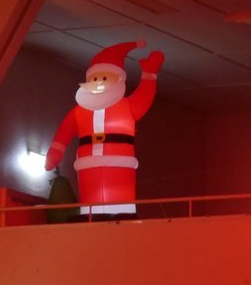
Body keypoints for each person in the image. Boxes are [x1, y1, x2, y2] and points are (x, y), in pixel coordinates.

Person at [44, 40, 163, 217]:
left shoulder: (127, 106)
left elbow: (143, 98)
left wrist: (149, 74)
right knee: (90, 192)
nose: (99, 83)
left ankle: (123, 215)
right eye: (94, 79)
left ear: (118, 79)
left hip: (120, 159)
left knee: (120, 191)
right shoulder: (79, 111)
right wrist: (55, 152)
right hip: (88, 161)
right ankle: (90, 216)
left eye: (105, 78)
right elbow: (64, 132)